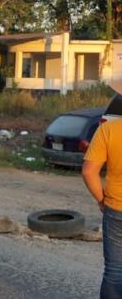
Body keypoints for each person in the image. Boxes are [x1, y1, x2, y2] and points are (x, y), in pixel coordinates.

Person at [83, 116, 122, 298]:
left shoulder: (108, 129)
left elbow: (89, 171)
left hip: (116, 208)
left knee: (114, 272)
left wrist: (101, 200)